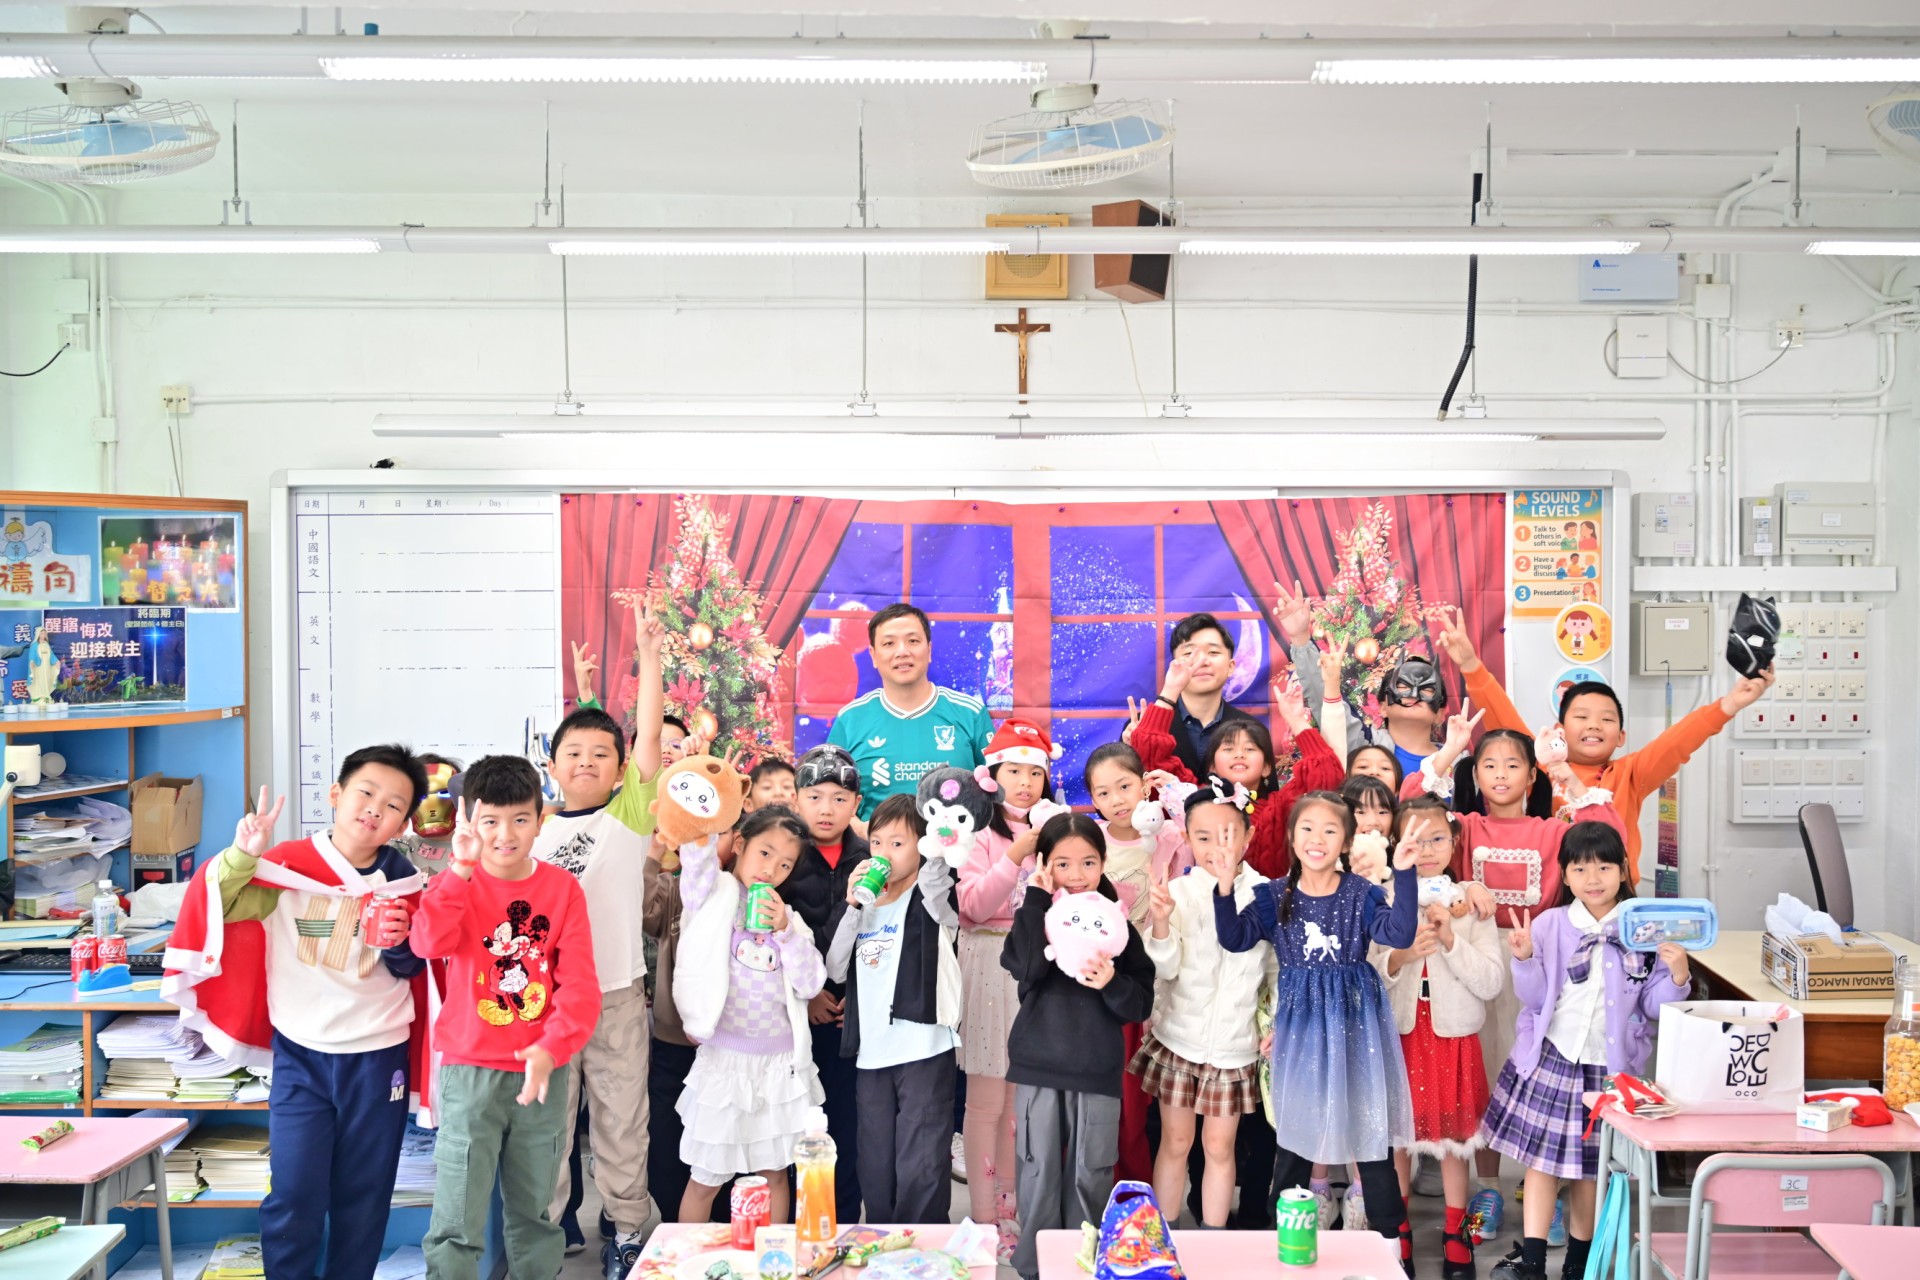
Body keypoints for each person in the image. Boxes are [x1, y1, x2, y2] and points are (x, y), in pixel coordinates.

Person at [166, 748, 429, 1280]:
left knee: (364, 1196)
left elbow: (411, 968)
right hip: (301, 1055)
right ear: (336, 794)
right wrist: (244, 854)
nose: (375, 809)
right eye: (366, 792)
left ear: (404, 823)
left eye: (393, 805)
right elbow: (221, 907)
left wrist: (402, 941)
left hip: (378, 1055)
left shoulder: (404, 879)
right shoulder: (286, 865)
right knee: (293, 1193)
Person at [1408, 710, 1627, 1222]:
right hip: (1470, 960)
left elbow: (1608, 833)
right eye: (1489, 764)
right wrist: (1452, 748)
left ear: (1532, 776)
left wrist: (1563, 771)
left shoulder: (1552, 831)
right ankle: (1487, 1187)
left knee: (1535, 1074)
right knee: (1483, 1074)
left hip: (1542, 962)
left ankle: (1538, 1186)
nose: (1501, 774)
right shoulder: (1463, 827)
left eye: (1513, 765)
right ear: (1476, 774)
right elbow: (1412, 802)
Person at [1214, 791, 1427, 1261]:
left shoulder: (1361, 894)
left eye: (1330, 830)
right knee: (1295, 1140)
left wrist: (1405, 873)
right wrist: (1225, 887)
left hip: (1358, 1028)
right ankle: (1286, 1250)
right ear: (1292, 838)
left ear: (1346, 842)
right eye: (1307, 828)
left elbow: (1399, 933)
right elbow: (1234, 938)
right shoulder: (1273, 896)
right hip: (1303, 1031)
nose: (1317, 839)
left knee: (1371, 1141)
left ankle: (1392, 1255)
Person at [415, 756, 600, 1280]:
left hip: (542, 1073)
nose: (505, 834)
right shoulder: (456, 882)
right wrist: (459, 870)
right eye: (490, 820)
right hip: (469, 1071)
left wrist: (551, 1048)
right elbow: (428, 942)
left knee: (535, 1214)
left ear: (541, 821)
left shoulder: (562, 890)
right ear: (468, 821)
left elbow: (579, 987)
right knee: (456, 1217)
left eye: (520, 819)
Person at [1431, 605, 1774, 885]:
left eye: (1607, 719)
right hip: (1553, 895)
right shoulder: (1542, 765)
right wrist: (1471, 666)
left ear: (1621, 736)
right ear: (1558, 730)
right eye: (1581, 716)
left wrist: (1730, 704)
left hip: (1614, 898)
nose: (1594, 725)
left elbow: (1677, 742)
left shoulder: (1632, 774)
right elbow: (1502, 719)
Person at [1481, 825, 1692, 1280]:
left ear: (1624, 870)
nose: (1592, 878)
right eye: (1580, 869)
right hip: (1553, 1059)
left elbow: (1654, 1008)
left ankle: (1579, 1266)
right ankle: (1532, 1265)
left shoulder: (1644, 930)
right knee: (1540, 1166)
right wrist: (1524, 958)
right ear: (1565, 875)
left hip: (1609, 1071)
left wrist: (1677, 976)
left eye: (1604, 867)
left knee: (1589, 1173)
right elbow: (1535, 1000)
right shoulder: (1550, 924)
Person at [536, 604, 667, 1277]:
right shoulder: (530, 828)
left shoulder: (628, 818)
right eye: (573, 754)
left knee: (622, 1122)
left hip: (615, 995)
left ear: (620, 771)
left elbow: (649, 736)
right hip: (544, 1004)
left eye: (600, 755)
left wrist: (651, 657)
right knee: (548, 1129)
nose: (586, 762)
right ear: (551, 764)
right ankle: (544, 1237)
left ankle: (626, 1231)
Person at [1002, 813, 1157, 1280]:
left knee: (1091, 1172)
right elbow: (1025, 967)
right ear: (1044, 864)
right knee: (1038, 1171)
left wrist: (1111, 983)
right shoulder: (1037, 915)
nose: (1076, 874)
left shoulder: (1116, 923)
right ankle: (1035, 1267)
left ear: (1103, 862)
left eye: (1088, 862)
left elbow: (1139, 1002)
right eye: (1062, 863)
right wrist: (1035, 897)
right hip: (1038, 1065)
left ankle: (1085, 1265)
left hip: (1096, 1067)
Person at [672, 806, 826, 1226]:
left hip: (778, 1066)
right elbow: (696, 862)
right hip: (724, 1063)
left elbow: (811, 984)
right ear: (740, 844)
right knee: (705, 1179)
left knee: (774, 1174)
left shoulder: (789, 920)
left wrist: (786, 933)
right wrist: (707, 816)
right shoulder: (713, 896)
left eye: (785, 864)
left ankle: (773, 1256)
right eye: (765, 852)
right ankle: (689, 1259)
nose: (771, 869)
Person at [1374, 797, 1505, 1280]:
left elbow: (1491, 983)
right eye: (1415, 840)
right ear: (1397, 844)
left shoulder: (1472, 903)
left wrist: (1451, 940)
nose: (1426, 850)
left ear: (1454, 843)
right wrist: (1402, 956)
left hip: (1454, 1035)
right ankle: (1398, 1233)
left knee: (1456, 1142)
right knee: (1398, 1139)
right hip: (1401, 1033)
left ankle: (1458, 1231)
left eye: (1437, 839)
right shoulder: (1382, 896)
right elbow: (1370, 969)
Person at [1134, 781, 1273, 1228]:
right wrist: (1159, 923)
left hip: (1235, 1047)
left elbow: (1275, 971)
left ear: (1249, 835)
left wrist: (1276, 1023)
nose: (1217, 847)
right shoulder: (1179, 891)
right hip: (1179, 1040)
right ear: (1187, 838)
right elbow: (1165, 967)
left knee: (1219, 1147)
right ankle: (1164, 1237)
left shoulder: (1267, 894)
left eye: (1228, 835)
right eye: (1203, 836)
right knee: (1175, 1143)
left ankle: (1215, 1242)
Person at [954, 716, 1065, 1257]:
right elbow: (973, 907)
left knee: (1021, 1102)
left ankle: (1011, 1210)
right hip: (987, 965)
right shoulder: (976, 834)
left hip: (1036, 971)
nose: (1025, 782)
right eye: (1014, 770)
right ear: (993, 776)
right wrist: (1016, 855)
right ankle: (982, 1219)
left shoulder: (1058, 832)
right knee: (985, 1102)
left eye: (1035, 772)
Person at [823, 795, 961, 1224]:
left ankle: (923, 1248)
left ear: (922, 847)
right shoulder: (865, 906)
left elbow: (936, 874)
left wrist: (938, 842)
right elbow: (834, 967)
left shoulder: (932, 895)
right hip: (873, 1055)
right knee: (875, 1161)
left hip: (924, 1049)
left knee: (922, 1161)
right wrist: (852, 904)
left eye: (898, 844)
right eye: (877, 843)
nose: (883, 853)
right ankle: (884, 1241)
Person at [1084, 742, 1191, 1184]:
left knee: (1141, 1096)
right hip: (1102, 984)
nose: (1117, 800)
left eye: (1125, 786)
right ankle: (1096, 1184)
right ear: (1093, 799)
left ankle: (1137, 1188)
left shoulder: (1165, 837)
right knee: (1108, 1090)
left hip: (1154, 979)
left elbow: (1196, 846)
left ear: (1144, 785)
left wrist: (1176, 799)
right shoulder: (1090, 841)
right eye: (1103, 792)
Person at [783, 745, 871, 1226]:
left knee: (848, 1127)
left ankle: (844, 1224)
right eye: (815, 796)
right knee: (796, 1128)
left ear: (856, 803)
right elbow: (766, 935)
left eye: (839, 798)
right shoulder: (784, 855)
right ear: (797, 799)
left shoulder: (872, 856)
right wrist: (809, 993)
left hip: (852, 1018)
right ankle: (796, 1226)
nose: (826, 809)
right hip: (794, 1016)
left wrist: (854, 998)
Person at [1135, 678, 1342, 880]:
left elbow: (1327, 775)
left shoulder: (1279, 808)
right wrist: (1170, 691)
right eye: (1228, 749)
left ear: (1266, 768)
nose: (1239, 754)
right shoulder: (1192, 797)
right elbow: (1147, 753)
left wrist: (1296, 720)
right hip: (1202, 899)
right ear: (1212, 767)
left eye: (1250, 749)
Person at [826, 602, 995, 821]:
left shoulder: (970, 713)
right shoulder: (850, 720)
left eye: (913, 641)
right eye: (889, 643)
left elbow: (999, 791)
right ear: (873, 656)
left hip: (959, 842)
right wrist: (859, 828)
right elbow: (827, 796)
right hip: (873, 843)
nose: (902, 652)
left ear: (929, 650)